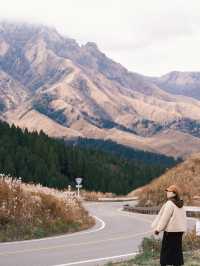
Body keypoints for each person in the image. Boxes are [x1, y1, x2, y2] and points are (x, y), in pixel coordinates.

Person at [151, 185, 187, 266]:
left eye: (169, 191)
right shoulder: (181, 203)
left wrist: (158, 229)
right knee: (177, 250)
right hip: (179, 232)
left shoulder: (170, 203)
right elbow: (184, 218)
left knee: (165, 251)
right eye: (167, 191)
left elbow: (165, 218)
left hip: (170, 232)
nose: (167, 193)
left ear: (174, 193)